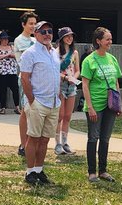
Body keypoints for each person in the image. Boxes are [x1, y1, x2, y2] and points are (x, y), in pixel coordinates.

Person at [18, 19, 61, 185]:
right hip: (38, 102)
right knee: (33, 138)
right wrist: (32, 101)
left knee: (45, 139)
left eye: (49, 31)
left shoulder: (54, 52)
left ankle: (39, 169)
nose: (47, 34)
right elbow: (25, 78)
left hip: (53, 103)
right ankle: (29, 172)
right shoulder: (30, 53)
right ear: (35, 34)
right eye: (43, 32)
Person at [81, 26, 122, 183]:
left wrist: (119, 104)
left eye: (111, 39)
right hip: (95, 105)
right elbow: (85, 85)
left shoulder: (112, 59)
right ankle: (92, 172)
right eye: (107, 39)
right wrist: (90, 107)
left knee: (105, 138)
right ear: (98, 41)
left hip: (110, 105)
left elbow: (116, 81)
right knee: (93, 138)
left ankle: (103, 171)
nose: (110, 42)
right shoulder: (89, 60)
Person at [13, 11, 37, 155]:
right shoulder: (19, 40)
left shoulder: (36, 40)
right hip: (25, 78)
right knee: (25, 111)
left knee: (34, 112)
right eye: (30, 24)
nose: (33, 26)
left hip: (37, 80)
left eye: (35, 24)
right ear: (23, 24)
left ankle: (31, 142)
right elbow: (25, 61)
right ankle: (23, 144)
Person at [55, 26, 80, 155]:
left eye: (71, 36)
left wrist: (73, 78)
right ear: (61, 38)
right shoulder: (55, 52)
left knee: (68, 116)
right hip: (60, 85)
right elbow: (54, 70)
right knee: (59, 116)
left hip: (71, 86)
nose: (70, 38)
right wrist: (65, 77)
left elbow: (77, 70)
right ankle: (57, 143)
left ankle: (65, 142)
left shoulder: (74, 53)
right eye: (67, 36)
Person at [0, 30, 21, 114]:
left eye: (6, 39)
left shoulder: (11, 47)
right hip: (1, 72)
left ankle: (17, 107)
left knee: (15, 89)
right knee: (2, 90)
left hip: (12, 71)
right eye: (4, 39)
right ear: (0, 39)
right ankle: (3, 107)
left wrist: (11, 55)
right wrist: (6, 55)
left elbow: (18, 55)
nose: (5, 41)